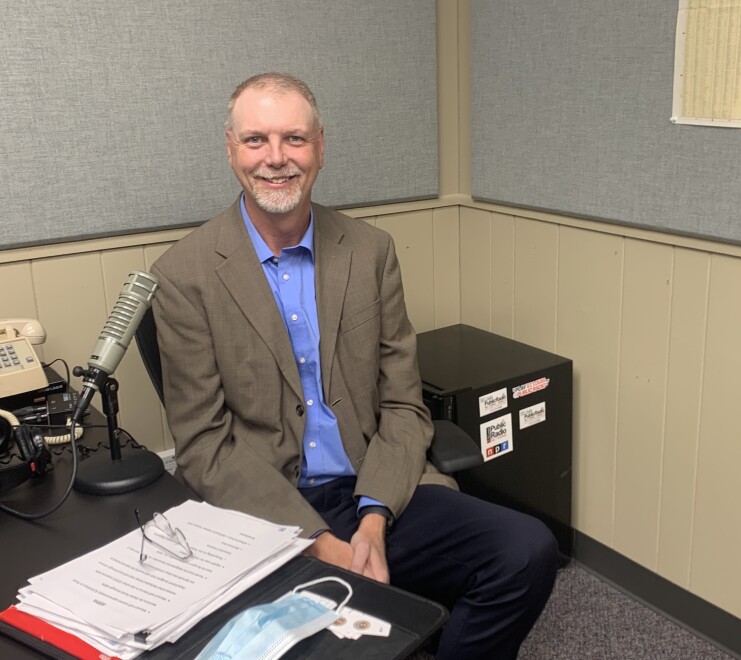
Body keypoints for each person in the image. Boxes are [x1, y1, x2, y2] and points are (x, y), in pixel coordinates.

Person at [150, 72, 557, 659]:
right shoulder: (184, 275)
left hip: (380, 485)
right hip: (270, 508)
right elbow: (204, 444)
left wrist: (373, 519)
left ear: (320, 145)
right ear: (231, 148)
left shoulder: (369, 252)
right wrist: (317, 539)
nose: (276, 158)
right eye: (256, 140)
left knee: (525, 549)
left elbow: (401, 403)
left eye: (294, 138)